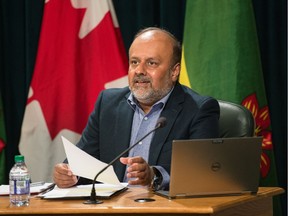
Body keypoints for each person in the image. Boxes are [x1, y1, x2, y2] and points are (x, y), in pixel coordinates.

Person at [53, 27, 220, 190]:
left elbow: (200, 174)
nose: (139, 71)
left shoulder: (199, 110)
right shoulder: (108, 103)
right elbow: (82, 161)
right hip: (111, 207)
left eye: (151, 63)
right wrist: (68, 174)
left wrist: (154, 176)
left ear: (174, 71)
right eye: (134, 62)